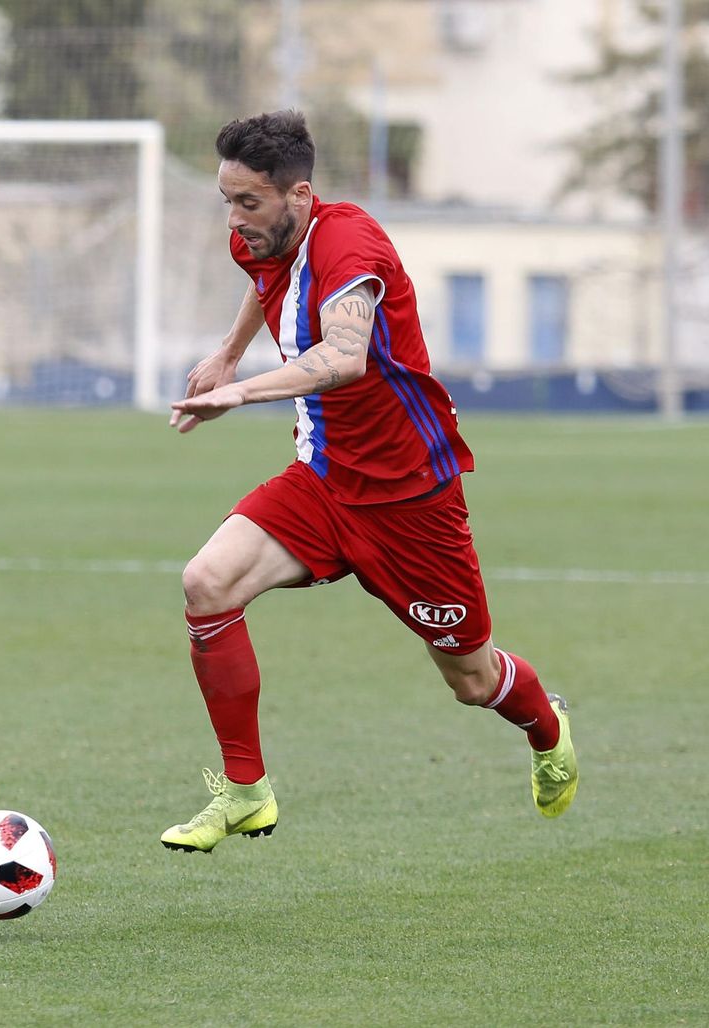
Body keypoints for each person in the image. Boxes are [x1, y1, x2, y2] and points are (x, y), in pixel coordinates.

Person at [161, 110, 578, 853]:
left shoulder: (350, 242)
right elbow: (266, 280)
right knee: (207, 582)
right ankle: (247, 793)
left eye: (247, 202)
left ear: (299, 194)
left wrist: (241, 389)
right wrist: (228, 352)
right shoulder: (258, 237)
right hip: (323, 480)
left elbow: (346, 353)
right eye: (226, 200)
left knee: (473, 682)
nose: (234, 219)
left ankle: (547, 726)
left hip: (411, 498)